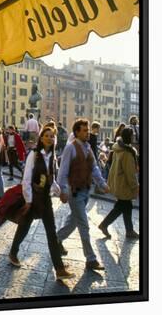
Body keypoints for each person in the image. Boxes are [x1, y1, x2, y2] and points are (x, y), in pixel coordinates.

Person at [8, 127, 75, 281]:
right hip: (34, 198)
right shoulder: (34, 154)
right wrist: (28, 201)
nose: (50, 138)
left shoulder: (52, 156)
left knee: (51, 232)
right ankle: (13, 253)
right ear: (41, 138)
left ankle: (59, 269)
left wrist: (60, 193)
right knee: (24, 226)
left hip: (45, 199)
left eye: (52, 136)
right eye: (46, 135)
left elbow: (51, 180)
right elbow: (26, 179)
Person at [56, 119, 109, 271]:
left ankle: (56, 239)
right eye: (85, 130)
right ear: (77, 132)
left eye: (88, 130)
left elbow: (94, 168)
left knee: (73, 221)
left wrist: (102, 183)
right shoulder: (70, 148)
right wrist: (63, 190)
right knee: (84, 225)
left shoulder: (88, 147)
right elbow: (63, 172)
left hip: (86, 191)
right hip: (75, 192)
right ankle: (91, 259)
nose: (88, 133)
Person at [98, 127, 140, 239]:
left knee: (126, 206)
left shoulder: (118, 148)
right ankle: (104, 225)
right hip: (124, 185)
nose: (134, 137)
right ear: (129, 137)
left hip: (119, 182)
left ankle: (129, 230)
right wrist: (135, 186)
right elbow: (130, 173)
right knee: (122, 207)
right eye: (133, 135)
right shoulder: (127, 152)